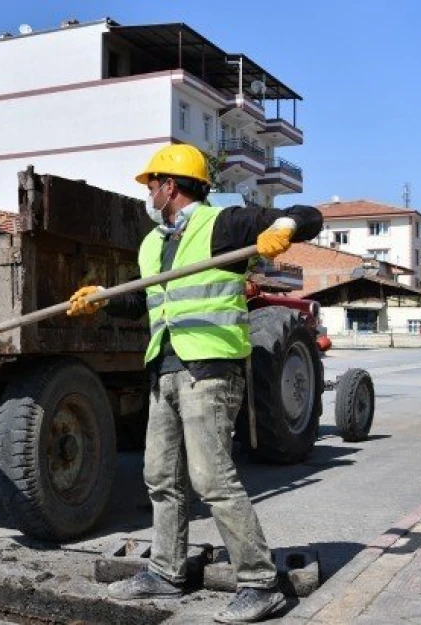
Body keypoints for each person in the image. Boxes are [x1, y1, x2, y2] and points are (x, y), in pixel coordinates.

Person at [66, 145, 323, 624]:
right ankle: (165, 572)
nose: (147, 192)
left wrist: (285, 228)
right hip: (163, 367)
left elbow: (307, 215)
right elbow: (145, 304)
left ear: (171, 186)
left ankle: (259, 582)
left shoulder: (223, 225)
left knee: (210, 477)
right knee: (161, 477)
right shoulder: (151, 244)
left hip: (210, 367)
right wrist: (101, 301)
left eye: (151, 184)